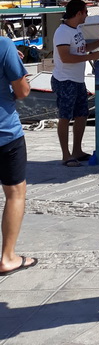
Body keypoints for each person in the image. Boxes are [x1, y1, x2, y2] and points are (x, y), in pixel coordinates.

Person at [0, 36, 37, 277]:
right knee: (15, 193)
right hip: (4, 133)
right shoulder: (3, 45)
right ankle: (8, 257)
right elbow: (22, 91)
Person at [52, 0, 99, 167]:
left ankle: (77, 151)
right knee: (65, 117)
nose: (87, 16)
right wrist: (91, 57)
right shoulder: (62, 32)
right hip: (65, 80)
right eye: (86, 12)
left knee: (82, 114)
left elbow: (82, 48)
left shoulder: (77, 30)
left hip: (78, 80)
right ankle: (66, 155)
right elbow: (66, 57)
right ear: (79, 13)